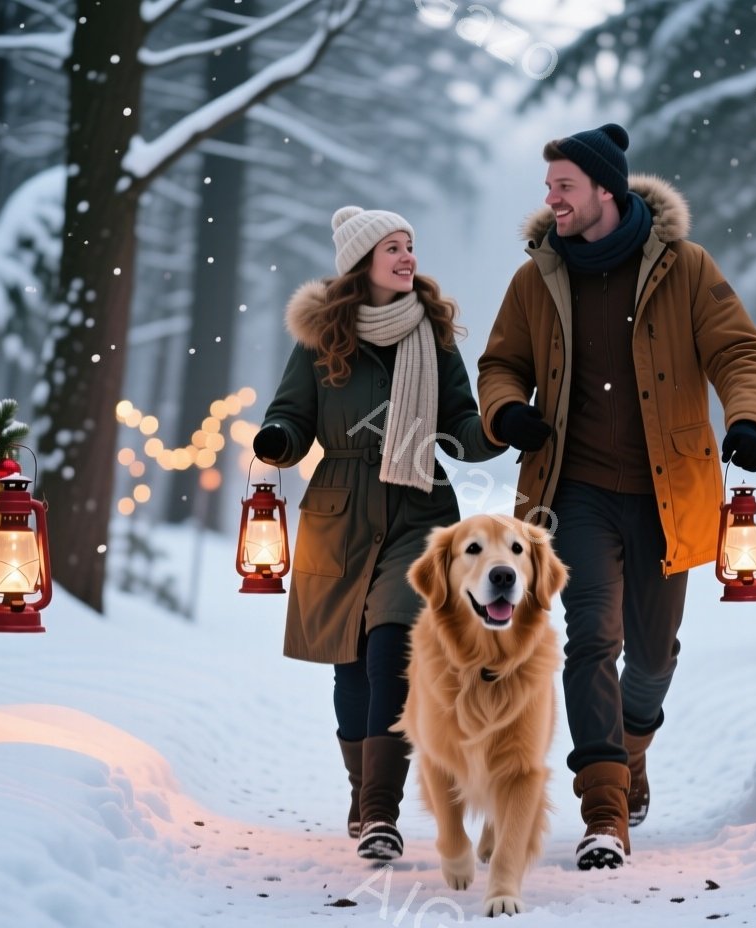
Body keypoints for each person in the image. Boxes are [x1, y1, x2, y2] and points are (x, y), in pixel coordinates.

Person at [478, 123, 756, 870]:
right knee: (590, 643)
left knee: (651, 657)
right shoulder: (536, 277)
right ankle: (604, 811)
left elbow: (737, 349)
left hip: (665, 491)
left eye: (564, 188)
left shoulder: (684, 267)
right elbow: (500, 363)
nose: (552, 202)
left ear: (605, 190)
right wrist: (508, 409)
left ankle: (632, 748)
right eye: (549, 189)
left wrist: (747, 417)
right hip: (569, 491)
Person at [254, 206, 502, 862]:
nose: (407, 256)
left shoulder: (434, 335)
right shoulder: (320, 337)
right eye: (393, 247)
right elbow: (291, 413)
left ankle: (380, 813)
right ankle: (363, 791)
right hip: (338, 513)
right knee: (351, 665)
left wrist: (501, 430)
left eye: (410, 245)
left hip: (419, 508)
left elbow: (461, 428)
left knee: (394, 646)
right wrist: (278, 438)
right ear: (361, 262)